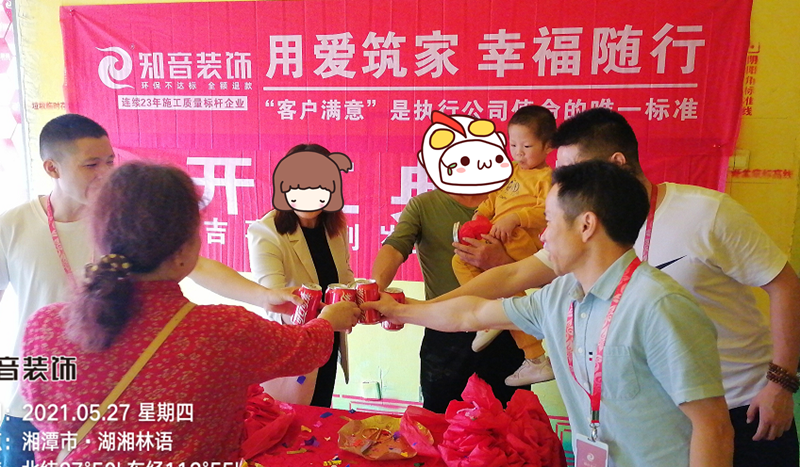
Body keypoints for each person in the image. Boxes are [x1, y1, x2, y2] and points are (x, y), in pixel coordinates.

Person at [436, 108, 800, 467]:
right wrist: (415, 308)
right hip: (656, 418)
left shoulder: (707, 213)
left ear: (617, 163)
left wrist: (781, 384)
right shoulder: (582, 232)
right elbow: (512, 277)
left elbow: (784, 285)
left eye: (575, 172)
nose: (564, 186)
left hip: (743, 406)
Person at [365, 160, 734, 467]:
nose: (543, 236)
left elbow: (713, 428)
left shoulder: (660, 306)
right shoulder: (560, 296)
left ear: (586, 226)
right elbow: (472, 313)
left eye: (549, 222)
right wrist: (400, 311)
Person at [0, 114, 301, 466]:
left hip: (116, 403)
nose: (105, 174)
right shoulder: (13, 226)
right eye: (91, 165)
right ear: (52, 168)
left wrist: (264, 296)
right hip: (39, 402)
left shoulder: (124, 220)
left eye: (110, 161)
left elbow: (197, 265)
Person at [19, 162, 362, 463]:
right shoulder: (222, 331)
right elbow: (305, 349)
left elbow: (42, 417)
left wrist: (266, 297)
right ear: (186, 250)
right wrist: (328, 322)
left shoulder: (44, 328)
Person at [371, 178, 528, 414]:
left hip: (506, 328)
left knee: (510, 421)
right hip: (444, 332)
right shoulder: (424, 205)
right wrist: (375, 290)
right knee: (440, 420)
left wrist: (500, 261)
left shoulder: (511, 203)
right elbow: (395, 247)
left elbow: (539, 264)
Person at [451, 105, 555, 386]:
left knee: (508, 286)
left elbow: (549, 211)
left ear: (548, 146)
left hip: (521, 241)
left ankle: (532, 353)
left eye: (527, 146)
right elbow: (491, 201)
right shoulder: (510, 173)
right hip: (497, 238)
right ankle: (495, 320)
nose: (518, 152)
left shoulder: (548, 178)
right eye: (513, 145)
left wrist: (516, 218)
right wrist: (479, 216)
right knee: (460, 260)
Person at [247, 143, 354, 408]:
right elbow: (272, 302)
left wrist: (360, 305)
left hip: (328, 343)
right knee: (290, 422)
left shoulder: (336, 227)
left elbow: (345, 278)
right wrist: (323, 319)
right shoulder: (266, 231)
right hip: (292, 347)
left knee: (320, 416)